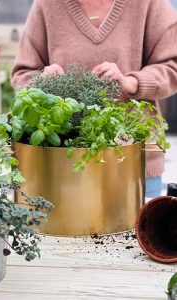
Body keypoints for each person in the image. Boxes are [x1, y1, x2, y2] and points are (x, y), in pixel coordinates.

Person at [11, 0, 177, 198]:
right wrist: (41, 81)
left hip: (133, 155)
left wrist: (131, 82)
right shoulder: (46, 5)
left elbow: (171, 65)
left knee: (141, 227)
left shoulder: (148, 3)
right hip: (61, 159)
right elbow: (22, 73)